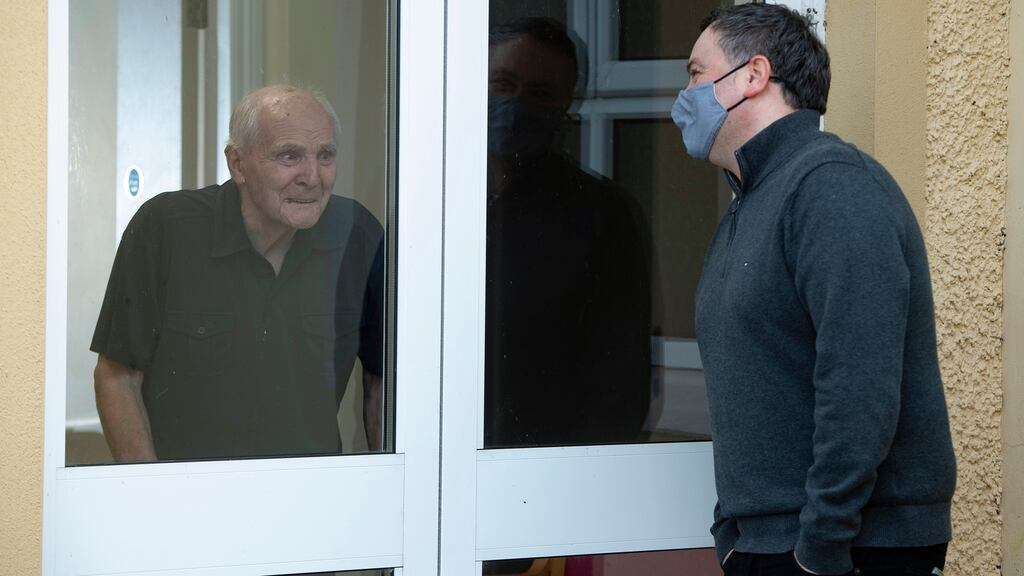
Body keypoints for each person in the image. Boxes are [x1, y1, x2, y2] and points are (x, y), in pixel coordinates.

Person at [672, 5, 956, 575]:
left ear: (752, 76)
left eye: (696, 73)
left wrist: (820, 548)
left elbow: (860, 383)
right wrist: (733, 529)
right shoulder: (753, 199)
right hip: (772, 544)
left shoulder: (832, 187)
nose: (685, 95)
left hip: (851, 551)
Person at [92, 84, 384, 462]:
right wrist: (151, 497)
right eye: (289, 156)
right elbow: (116, 378)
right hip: (187, 499)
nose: (312, 176)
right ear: (237, 164)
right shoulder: (166, 228)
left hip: (313, 498)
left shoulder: (356, 234)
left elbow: (381, 383)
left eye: (325, 155)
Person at [484, 17, 652, 448]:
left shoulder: (602, 215)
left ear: (566, 107)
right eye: (502, 83)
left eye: (540, 93)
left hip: (551, 475)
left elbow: (621, 388)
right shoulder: (432, 205)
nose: (516, 103)